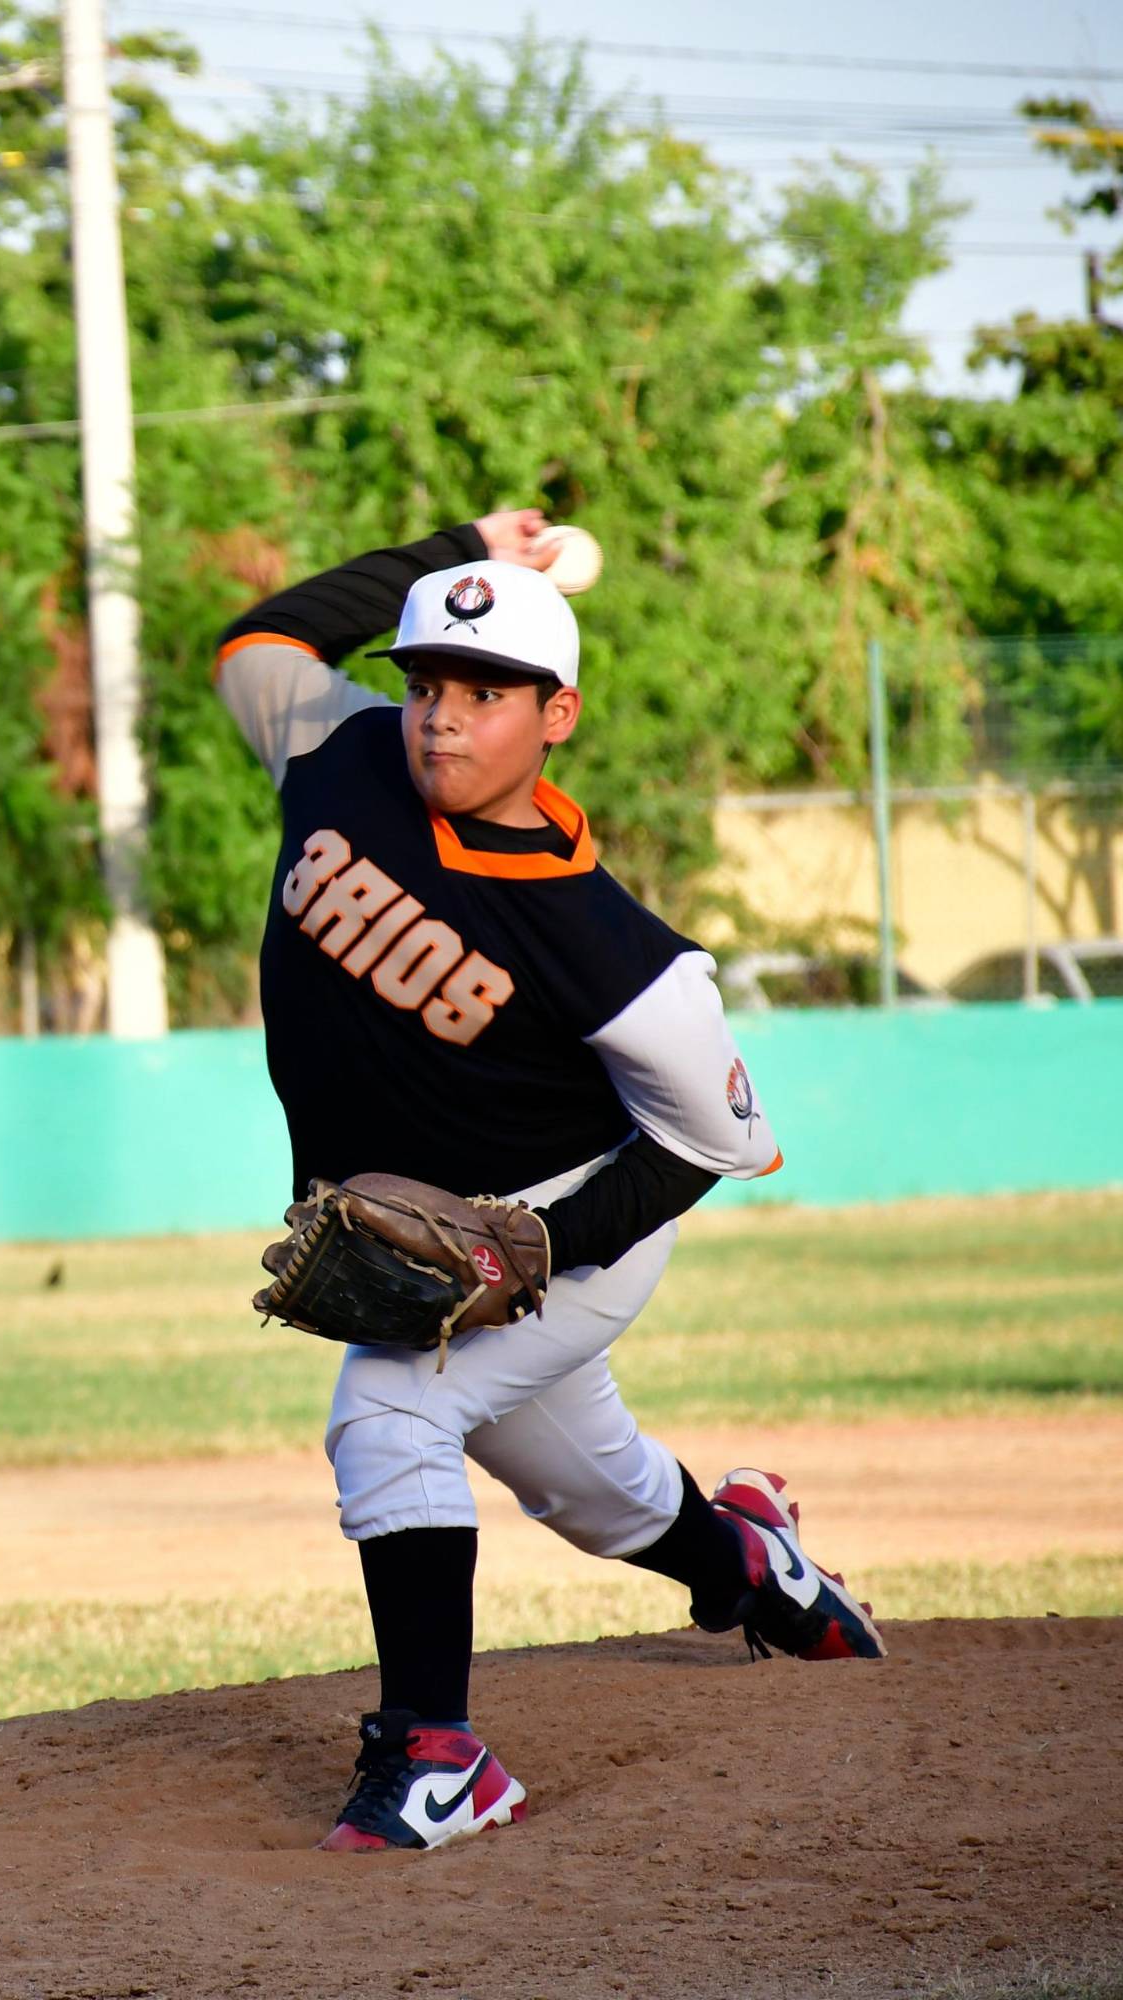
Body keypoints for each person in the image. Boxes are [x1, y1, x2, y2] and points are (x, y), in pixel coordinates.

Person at [214, 508, 884, 1855]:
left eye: (485, 693)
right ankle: (755, 1564)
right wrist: (464, 550)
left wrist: (536, 1245)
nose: (441, 719)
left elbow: (710, 1141)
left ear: (557, 715)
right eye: (426, 686)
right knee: (598, 1492)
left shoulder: (610, 944)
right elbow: (257, 647)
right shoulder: (341, 756)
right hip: (444, 1237)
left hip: (572, 1222)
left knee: (389, 1419)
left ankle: (438, 1755)